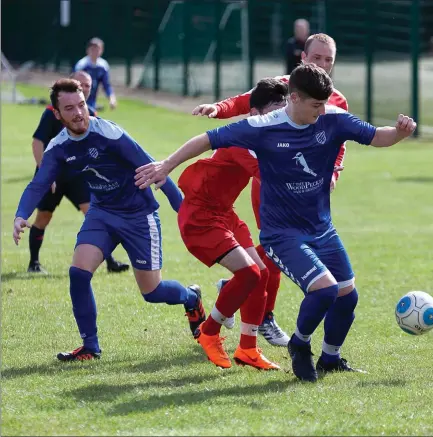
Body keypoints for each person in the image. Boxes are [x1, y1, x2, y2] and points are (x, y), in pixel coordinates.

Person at [134, 63, 416, 382]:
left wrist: (399, 134)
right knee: (322, 290)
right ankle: (298, 344)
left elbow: (376, 136)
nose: (323, 110)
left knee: (347, 295)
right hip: (281, 233)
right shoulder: (264, 127)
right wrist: (167, 165)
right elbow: (207, 139)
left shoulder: (331, 119)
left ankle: (330, 358)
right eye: (316, 105)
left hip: (321, 228)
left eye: (325, 104)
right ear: (294, 98)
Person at [13, 78, 205, 361]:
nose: (79, 113)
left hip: (139, 214)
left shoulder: (109, 134)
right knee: (78, 273)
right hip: (102, 214)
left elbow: (156, 168)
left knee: (151, 292)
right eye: (69, 108)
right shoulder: (59, 147)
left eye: (81, 105)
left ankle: (191, 298)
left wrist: (183, 210)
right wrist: (20, 215)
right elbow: (39, 184)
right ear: (57, 114)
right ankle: (90, 346)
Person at [191, 33, 346, 346]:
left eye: (328, 60)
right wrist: (218, 109)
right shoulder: (283, 85)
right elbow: (246, 101)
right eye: (317, 58)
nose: (323, 65)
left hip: (306, 189)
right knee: (278, 250)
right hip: (271, 184)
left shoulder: (337, 100)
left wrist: (331, 175)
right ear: (303, 57)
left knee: (278, 254)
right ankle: (266, 318)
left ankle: (237, 285)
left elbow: (338, 143)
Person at [175, 78, 287, 370]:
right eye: (274, 113)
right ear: (255, 114)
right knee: (250, 273)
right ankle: (208, 332)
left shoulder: (269, 137)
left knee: (260, 275)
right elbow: (271, 176)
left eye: (283, 113)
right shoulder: (245, 139)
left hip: (224, 213)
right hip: (201, 216)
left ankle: (247, 349)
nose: (280, 120)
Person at [28, 70, 128, 274]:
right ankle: (34, 263)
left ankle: (109, 261)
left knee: (95, 215)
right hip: (53, 177)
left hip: (78, 177)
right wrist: (44, 174)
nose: (84, 88)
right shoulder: (52, 112)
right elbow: (37, 142)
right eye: (80, 84)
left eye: (88, 86)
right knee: (43, 218)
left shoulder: (91, 114)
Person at [74, 37, 117, 111]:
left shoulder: (103, 66)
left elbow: (106, 85)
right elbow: (74, 84)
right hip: (78, 100)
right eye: (93, 49)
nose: (95, 52)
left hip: (92, 101)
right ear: (88, 50)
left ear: (102, 50)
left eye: (98, 49)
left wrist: (112, 99)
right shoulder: (81, 65)